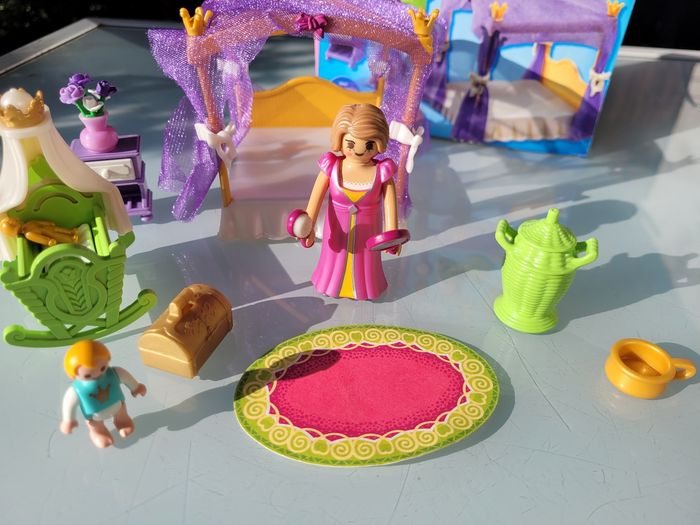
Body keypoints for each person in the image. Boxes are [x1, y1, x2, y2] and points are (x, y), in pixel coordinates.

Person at [296, 104, 402, 300]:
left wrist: (392, 235)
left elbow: (390, 205)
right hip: (337, 227)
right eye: (351, 144)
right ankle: (330, 284)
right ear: (340, 139)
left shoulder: (382, 172)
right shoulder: (332, 166)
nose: (359, 150)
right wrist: (307, 227)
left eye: (368, 145)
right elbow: (315, 199)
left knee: (366, 264)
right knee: (333, 259)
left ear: (379, 143)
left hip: (368, 231)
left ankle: (366, 287)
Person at [60, 340, 147, 448]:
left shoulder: (114, 373)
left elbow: (127, 378)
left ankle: (122, 422)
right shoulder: (76, 390)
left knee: (122, 415)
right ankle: (99, 433)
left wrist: (136, 387)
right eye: (87, 375)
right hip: (94, 417)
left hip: (118, 407)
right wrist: (68, 420)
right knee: (96, 426)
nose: (97, 374)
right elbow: (68, 404)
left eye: (102, 368)